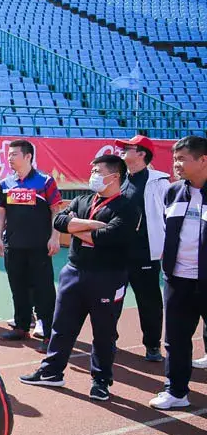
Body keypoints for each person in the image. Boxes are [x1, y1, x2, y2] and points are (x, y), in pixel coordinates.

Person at [20, 154, 138, 401]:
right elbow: (60, 221)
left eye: (98, 171)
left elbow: (107, 237)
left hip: (107, 276)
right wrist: (92, 225)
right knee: (62, 326)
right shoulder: (83, 200)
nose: (93, 175)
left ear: (114, 176)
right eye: (92, 170)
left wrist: (77, 228)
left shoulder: (128, 207)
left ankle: (101, 380)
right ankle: (51, 372)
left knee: (104, 332)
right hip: (73, 272)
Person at [149, 135, 207, 410]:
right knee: (175, 340)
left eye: (182, 159)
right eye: (175, 159)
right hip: (177, 280)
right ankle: (176, 392)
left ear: (203, 160)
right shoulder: (172, 192)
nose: (176, 164)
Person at [0, 139, 63, 351]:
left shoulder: (45, 181)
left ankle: (49, 334)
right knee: (18, 288)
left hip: (39, 246)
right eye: (8, 154)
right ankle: (22, 326)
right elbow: (0, 212)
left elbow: (56, 210)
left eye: (14, 154)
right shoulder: (5, 183)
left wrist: (55, 237)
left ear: (28, 156)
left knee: (44, 290)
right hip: (13, 246)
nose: (9, 158)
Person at [115, 135, 172, 362]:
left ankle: (152, 345)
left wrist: (166, 244)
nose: (122, 150)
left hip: (145, 252)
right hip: (117, 252)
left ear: (141, 154)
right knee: (110, 301)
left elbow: (168, 216)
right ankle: (108, 340)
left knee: (149, 302)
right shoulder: (117, 178)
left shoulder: (160, 182)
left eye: (128, 148)